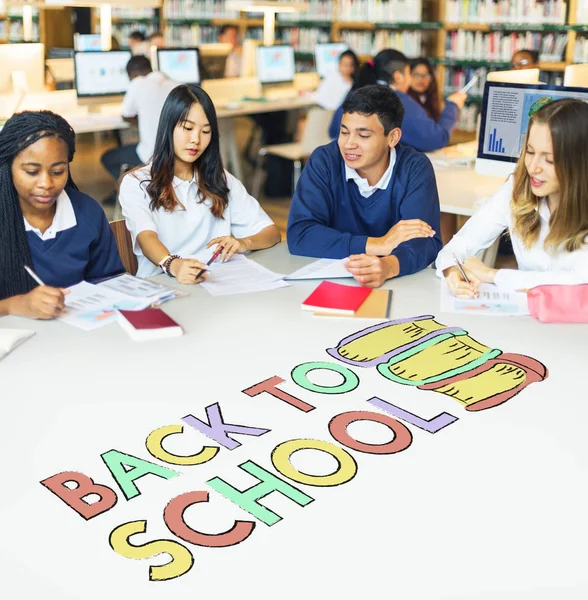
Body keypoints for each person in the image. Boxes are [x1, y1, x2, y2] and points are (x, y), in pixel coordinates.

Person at [119, 84, 281, 281]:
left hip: (218, 284)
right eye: (187, 128)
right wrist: (174, 265)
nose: (196, 139)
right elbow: (146, 238)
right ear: (168, 127)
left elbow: (271, 232)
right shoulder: (137, 183)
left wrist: (243, 243)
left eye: (205, 131)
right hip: (164, 287)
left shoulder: (220, 179)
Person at [287, 85, 442, 288]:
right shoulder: (324, 161)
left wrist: (388, 266)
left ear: (392, 137)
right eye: (344, 132)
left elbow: (425, 241)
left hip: (400, 284)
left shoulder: (414, 168)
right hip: (331, 281)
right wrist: (379, 244)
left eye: (363, 136)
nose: (349, 144)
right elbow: (300, 234)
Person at [437, 98, 588, 297]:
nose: (533, 167)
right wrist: (453, 271)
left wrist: (492, 275)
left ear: (579, 164)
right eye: (530, 152)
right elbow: (457, 247)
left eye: (549, 160)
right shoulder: (516, 190)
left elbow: (577, 283)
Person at [0, 111, 124, 319]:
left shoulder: (88, 213)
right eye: (31, 171)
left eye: (58, 171)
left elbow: (110, 282)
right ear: (7, 167)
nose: (46, 184)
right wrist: (16, 305)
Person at [329, 49, 466, 152]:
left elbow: (333, 130)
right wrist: (453, 105)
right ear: (398, 76)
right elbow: (436, 138)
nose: (410, 80)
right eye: (408, 74)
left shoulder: (356, 92)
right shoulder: (396, 101)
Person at [101, 56, 179, 187]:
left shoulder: (138, 83)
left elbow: (126, 114)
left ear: (132, 74)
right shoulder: (176, 85)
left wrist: (143, 121)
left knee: (107, 158)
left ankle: (140, 188)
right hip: (177, 155)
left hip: (152, 155)